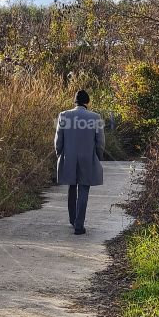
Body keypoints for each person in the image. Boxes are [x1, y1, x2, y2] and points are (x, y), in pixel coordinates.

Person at [54, 88, 105, 234]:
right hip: (88, 157)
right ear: (87, 102)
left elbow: (58, 139)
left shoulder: (63, 115)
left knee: (72, 187)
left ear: (75, 101)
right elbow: (100, 141)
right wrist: (98, 156)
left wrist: (59, 154)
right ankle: (79, 224)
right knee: (84, 188)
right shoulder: (96, 117)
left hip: (69, 157)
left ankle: (72, 219)